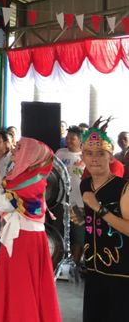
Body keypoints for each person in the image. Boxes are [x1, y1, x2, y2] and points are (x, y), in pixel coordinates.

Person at [0, 138, 61, 322]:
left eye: (19, 149)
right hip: (21, 237)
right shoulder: (22, 178)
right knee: (16, 284)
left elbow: (4, 203)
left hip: (25, 240)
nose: (14, 151)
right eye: (16, 147)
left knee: (20, 286)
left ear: (30, 156)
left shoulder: (29, 182)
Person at [80, 119, 129, 321]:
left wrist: (98, 209)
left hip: (121, 273)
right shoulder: (85, 185)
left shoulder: (123, 188)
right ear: (82, 156)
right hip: (93, 268)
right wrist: (84, 218)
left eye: (101, 153)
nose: (94, 159)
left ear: (110, 157)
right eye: (89, 153)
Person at [55, 125, 85, 265]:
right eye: (67, 138)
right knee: (58, 231)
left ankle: (76, 264)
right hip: (60, 201)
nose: (68, 141)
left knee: (77, 234)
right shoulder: (60, 153)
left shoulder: (86, 156)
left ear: (80, 140)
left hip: (78, 203)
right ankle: (58, 262)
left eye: (72, 138)